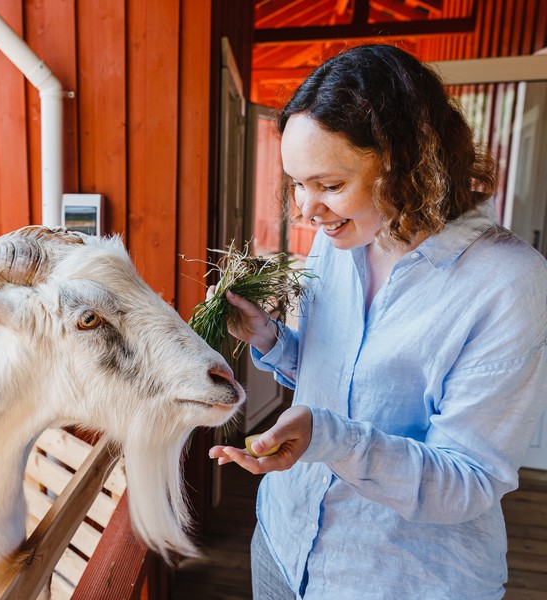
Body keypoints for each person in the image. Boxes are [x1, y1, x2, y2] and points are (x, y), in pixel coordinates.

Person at [208, 44, 547, 600]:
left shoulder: (507, 281)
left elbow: (469, 481)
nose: (306, 209)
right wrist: (270, 339)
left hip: (394, 576)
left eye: (330, 185)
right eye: (297, 182)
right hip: (282, 541)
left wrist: (330, 439)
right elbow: (340, 377)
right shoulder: (337, 241)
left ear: (408, 161)